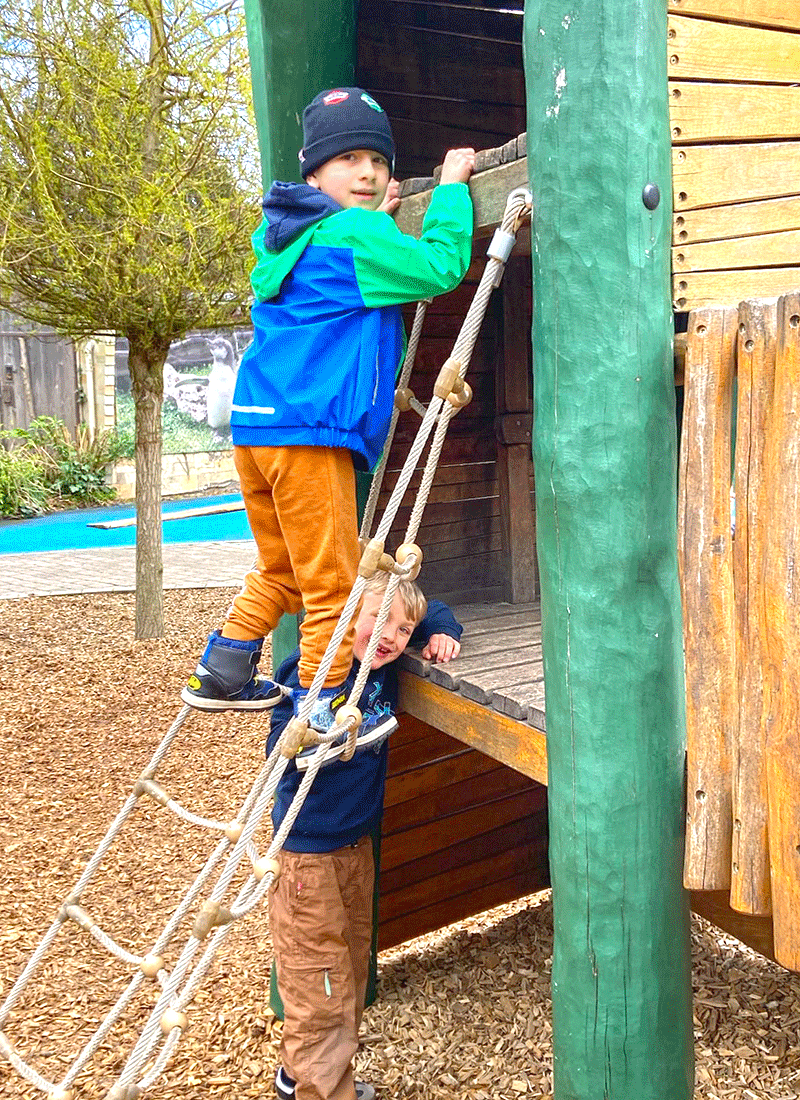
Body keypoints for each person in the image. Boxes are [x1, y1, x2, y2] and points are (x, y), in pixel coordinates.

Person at [182, 86, 474, 723]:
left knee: (283, 567)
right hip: (309, 436)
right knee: (333, 587)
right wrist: (451, 188)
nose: (368, 173)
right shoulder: (351, 239)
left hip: (255, 430)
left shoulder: (286, 236)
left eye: (379, 161)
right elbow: (441, 267)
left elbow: (351, 253)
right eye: (349, 160)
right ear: (312, 169)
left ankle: (225, 667)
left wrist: (371, 220)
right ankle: (321, 708)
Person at [267, 573, 462, 1100]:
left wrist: (438, 631)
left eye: (403, 630)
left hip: (355, 846)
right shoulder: (319, 671)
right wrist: (321, 731)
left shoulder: (382, 670)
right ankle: (322, 1091)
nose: (391, 636)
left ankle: (298, 1074)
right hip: (308, 854)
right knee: (320, 981)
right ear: (347, 612)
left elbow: (435, 604)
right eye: (379, 620)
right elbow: (282, 749)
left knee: (347, 966)